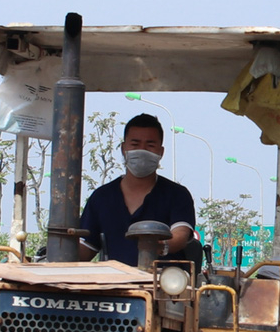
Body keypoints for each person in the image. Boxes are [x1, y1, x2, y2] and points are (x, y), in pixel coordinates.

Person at [76, 113, 199, 267]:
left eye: (150, 145)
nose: (142, 150)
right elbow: (87, 248)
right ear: (123, 148)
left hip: (165, 284)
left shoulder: (177, 195)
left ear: (160, 152)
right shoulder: (101, 197)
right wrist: (59, 248)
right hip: (114, 286)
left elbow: (180, 235)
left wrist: (160, 246)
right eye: (135, 144)